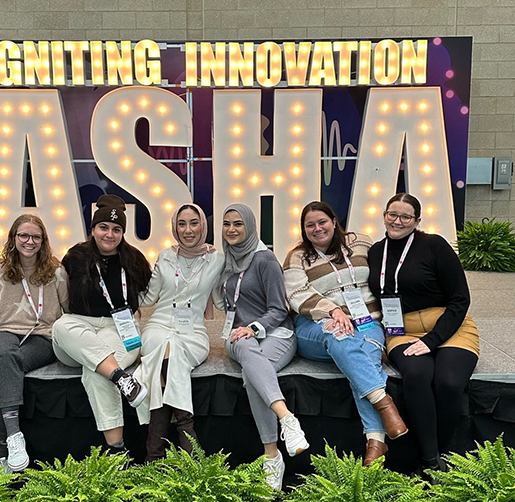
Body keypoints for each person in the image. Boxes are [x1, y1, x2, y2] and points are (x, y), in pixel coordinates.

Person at [283, 201, 408, 467]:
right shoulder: (297, 256)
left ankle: (376, 442)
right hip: (315, 326)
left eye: (322, 222)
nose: (317, 229)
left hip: (367, 322)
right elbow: (295, 294)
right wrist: (331, 311)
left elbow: (382, 275)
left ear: (334, 220)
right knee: (339, 334)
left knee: (363, 355)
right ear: (303, 230)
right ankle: (385, 404)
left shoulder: (360, 243)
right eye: (310, 225)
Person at [368, 193, 479, 474]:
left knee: (449, 383)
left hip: (449, 325)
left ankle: (437, 456)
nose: (398, 221)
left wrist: (431, 341)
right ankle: (430, 460)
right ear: (384, 215)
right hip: (400, 328)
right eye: (392, 214)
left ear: (417, 221)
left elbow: (460, 299)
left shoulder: (434, 246)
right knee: (417, 375)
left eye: (406, 216)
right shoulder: (375, 252)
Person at [51, 194, 152, 457]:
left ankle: (117, 451)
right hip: (78, 330)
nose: (110, 234)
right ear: (93, 229)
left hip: (119, 328)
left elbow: (153, 290)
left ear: (123, 233)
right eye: (104, 227)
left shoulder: (135, 260)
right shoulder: (75, 256)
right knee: (61, 326)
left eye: (116, 229)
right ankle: (121, 377)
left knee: (96, 372)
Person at [218, 203, 309, 491]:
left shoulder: (265, 259)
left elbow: (278, 309)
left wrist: (254, 327)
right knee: (245, 347)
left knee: (252, 374)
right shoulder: (225, 260)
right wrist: (243, 330)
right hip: (238, 338)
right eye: (227, 224)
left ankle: (272, 457)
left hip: (275, 333)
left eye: (238, 224)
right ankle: (287, 418)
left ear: (250, 226)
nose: (232, 229)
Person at [134, 203, 225, 461]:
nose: (188, 230)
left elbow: (220, 300)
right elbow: (149, 297)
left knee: (167, 356)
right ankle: (188, 437)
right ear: (174, 227)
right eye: (181, 224)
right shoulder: (165, 255)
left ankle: (154, 452)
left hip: (193, 332)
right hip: (158, 326)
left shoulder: (216, 259)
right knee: (165, 349)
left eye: (193, 223)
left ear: (202, 225)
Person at [0, 214, 70, 472]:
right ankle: (14, 436)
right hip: (4, 332)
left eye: (36, 236)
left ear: (43, 241)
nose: (29, 241)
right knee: (4, 354)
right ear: (13, 238)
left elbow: (67, 308)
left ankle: (3, 446)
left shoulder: (56, 272)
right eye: (23, 235)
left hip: (41, 336)